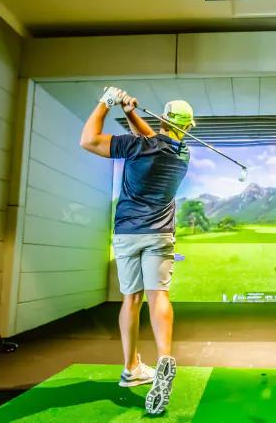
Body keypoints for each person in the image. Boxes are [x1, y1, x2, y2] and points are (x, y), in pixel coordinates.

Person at [79, 87, 194, 415]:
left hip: (128, 234)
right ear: (186, 127)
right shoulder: (182, 155)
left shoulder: (135, 147)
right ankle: (163, 361)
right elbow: (156, 141)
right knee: (159, 296)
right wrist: (131, 113)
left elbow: (88, 140)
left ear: (164, 118)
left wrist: (107, 102)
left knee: (131, 299)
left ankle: (131, 369)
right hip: (160, 234)